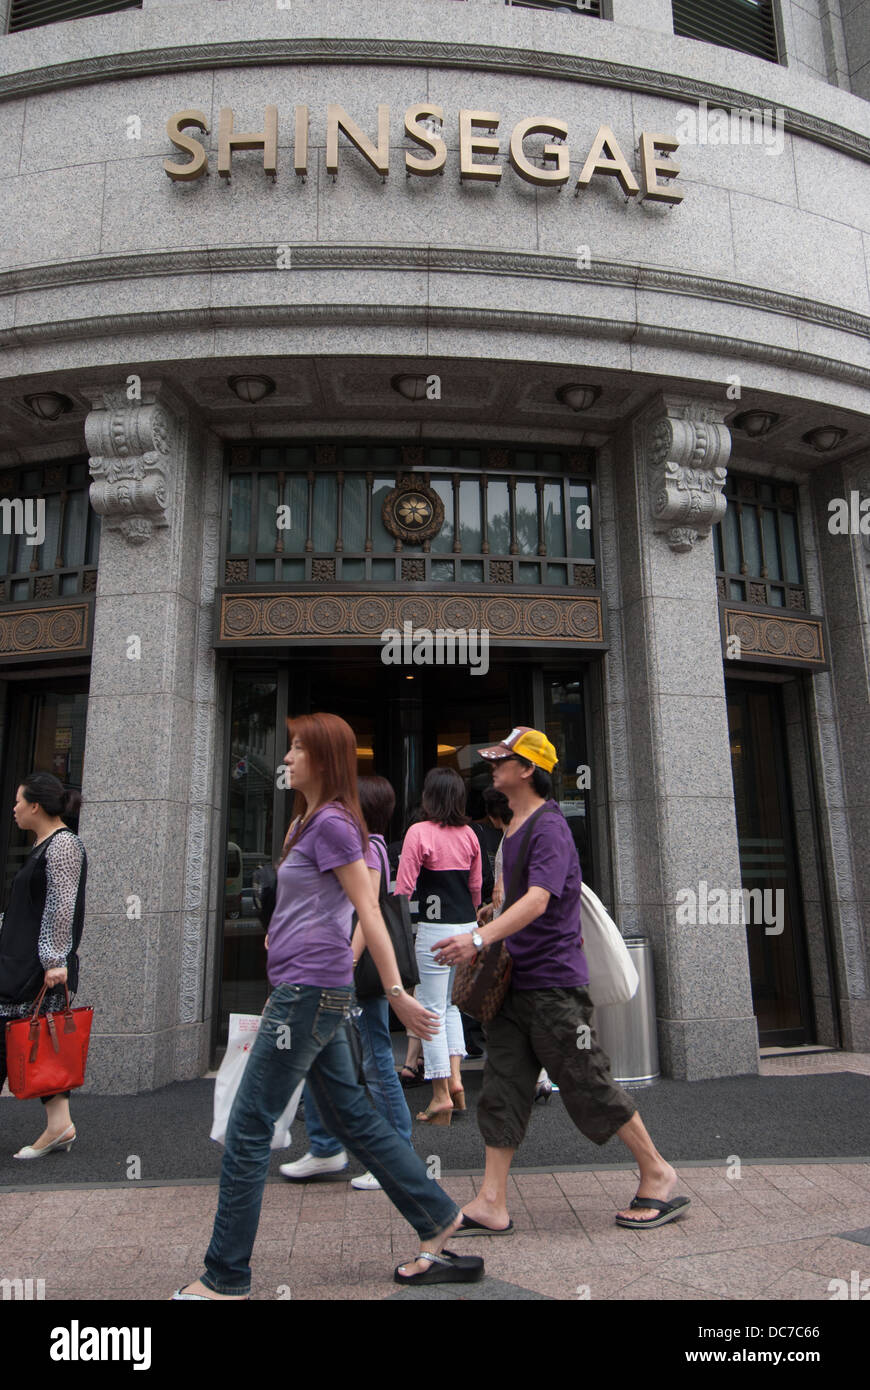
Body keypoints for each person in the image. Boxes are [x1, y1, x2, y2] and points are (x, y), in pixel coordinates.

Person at [174, 714, 481, 1297]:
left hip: (310, 994)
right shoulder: (306, 823)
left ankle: (224, 1278)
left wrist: (396, 995)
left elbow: (370, 911)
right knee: (352, 1118)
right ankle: (437, 1216)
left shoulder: (338, 825)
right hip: (307, 990)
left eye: (296, 747)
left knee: (247, 1128)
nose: (286, 756)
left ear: (324, 759)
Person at [433, 726, 690, 1234]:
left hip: (552, 986)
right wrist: (493, 912)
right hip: (514, 985)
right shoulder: (518, 824)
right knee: (503, 1087)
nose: (494, 766)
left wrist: (479, 939)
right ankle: (491, 1201)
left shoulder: (550, 826)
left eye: (503, 760)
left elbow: (540, 900)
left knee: (585, 1080)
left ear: (528, 769)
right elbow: (519, 901)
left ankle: (657, 1172)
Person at [280, 773, 414, 1191]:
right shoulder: (354, 844)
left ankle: (398, 1154)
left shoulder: (369, 847)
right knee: (322, 1058)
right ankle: (323, 1147)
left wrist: (347, 964)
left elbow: (366, 913)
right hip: (342, 969)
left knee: (375, 1060)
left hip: (357, 972)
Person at [0, 773, 87, 1159]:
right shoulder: (41, 845)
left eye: (18, 801)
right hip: (20, 962)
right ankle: (59, 1126)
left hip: (37, 968)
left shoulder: (63, 844)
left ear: (35, 805)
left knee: (26, 1042)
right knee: (38, 1046)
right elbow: (29, 908)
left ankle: (59, 1127)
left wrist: (54, 960)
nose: (14, 809)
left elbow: (60, 906)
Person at [396, 767, 482, 1126]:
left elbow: (403, 889)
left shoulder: (418, 832)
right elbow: (476, 887)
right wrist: (472, 923)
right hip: (466, 927)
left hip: (434, 930)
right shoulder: (471, 835)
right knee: (449, 1007)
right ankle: (458, 1082)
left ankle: (440, 1095)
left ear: (429, 797)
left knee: (429, 1010)